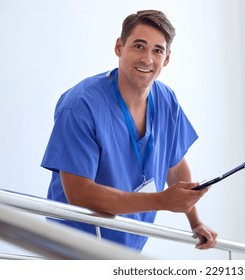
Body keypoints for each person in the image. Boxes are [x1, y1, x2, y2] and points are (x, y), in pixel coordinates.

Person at [41, 10, 217, 253]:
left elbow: (174, 167)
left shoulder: (166, 100)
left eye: (157, 50)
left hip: (127, 248)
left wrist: (195, 221)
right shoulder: (81, 105)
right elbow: (80, 193)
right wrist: (162, 201)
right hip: (73, 247)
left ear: (166, 59)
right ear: (119, 47)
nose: (147, 59)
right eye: (139, 46)